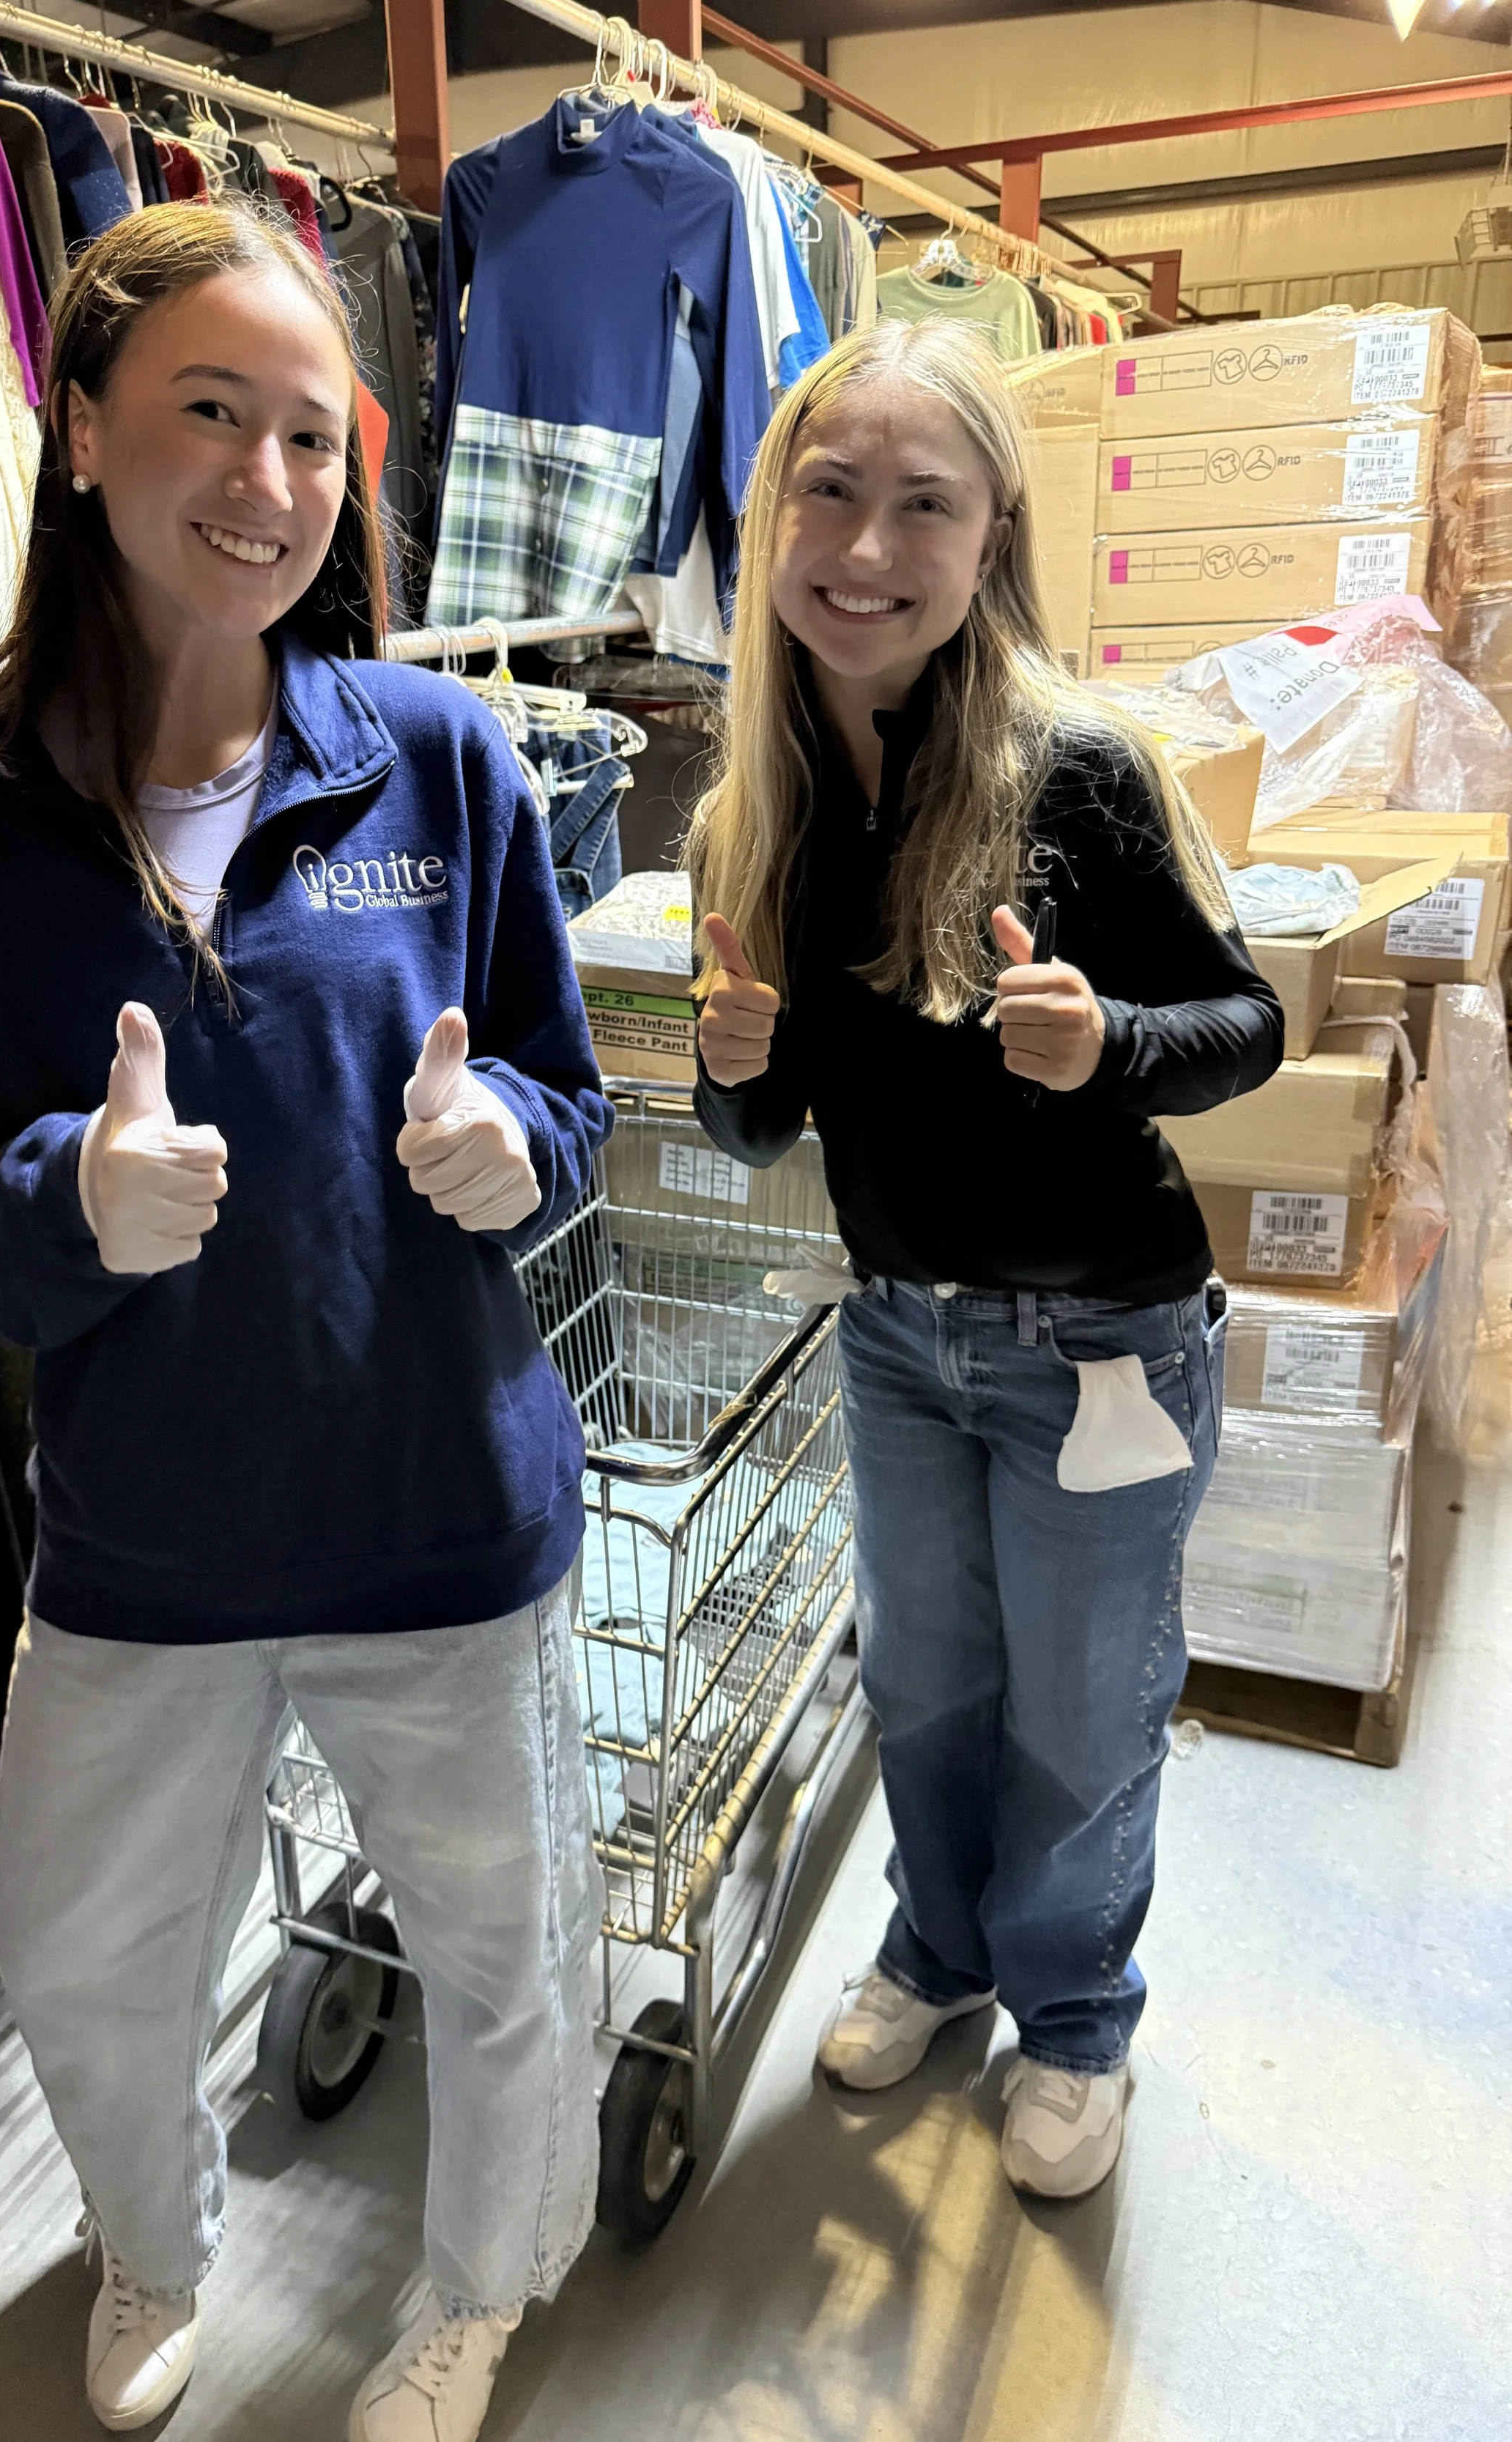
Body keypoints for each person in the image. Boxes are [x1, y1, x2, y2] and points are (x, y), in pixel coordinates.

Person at [0, 202, 609, 2441]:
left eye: (305, 434)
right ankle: (150, 2241)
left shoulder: (438, 758)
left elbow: (567, 1084)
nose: (267, 485)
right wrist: (63, 1196)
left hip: (441, 1516)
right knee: (88, 1964)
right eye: (204, 414)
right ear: (77, 427)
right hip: (146, 1546)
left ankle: (471, 2293)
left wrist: (514, 1152)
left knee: (502, 1950)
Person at [687, 319, 1283, 2200]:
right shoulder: (759, 797)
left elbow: (1245, 1025)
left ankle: (1073, 2014)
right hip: (894, 1336)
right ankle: (941, 1954)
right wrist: (728, 1072)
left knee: (1081, 1707)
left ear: (988, 536)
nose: (865, 548)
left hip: (1098, 1340)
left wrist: (1106, 1037)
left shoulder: (1073, 770)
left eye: (920, 505)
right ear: (774, 509)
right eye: (831, 491)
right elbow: (763, 1130)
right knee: (925, 1689)